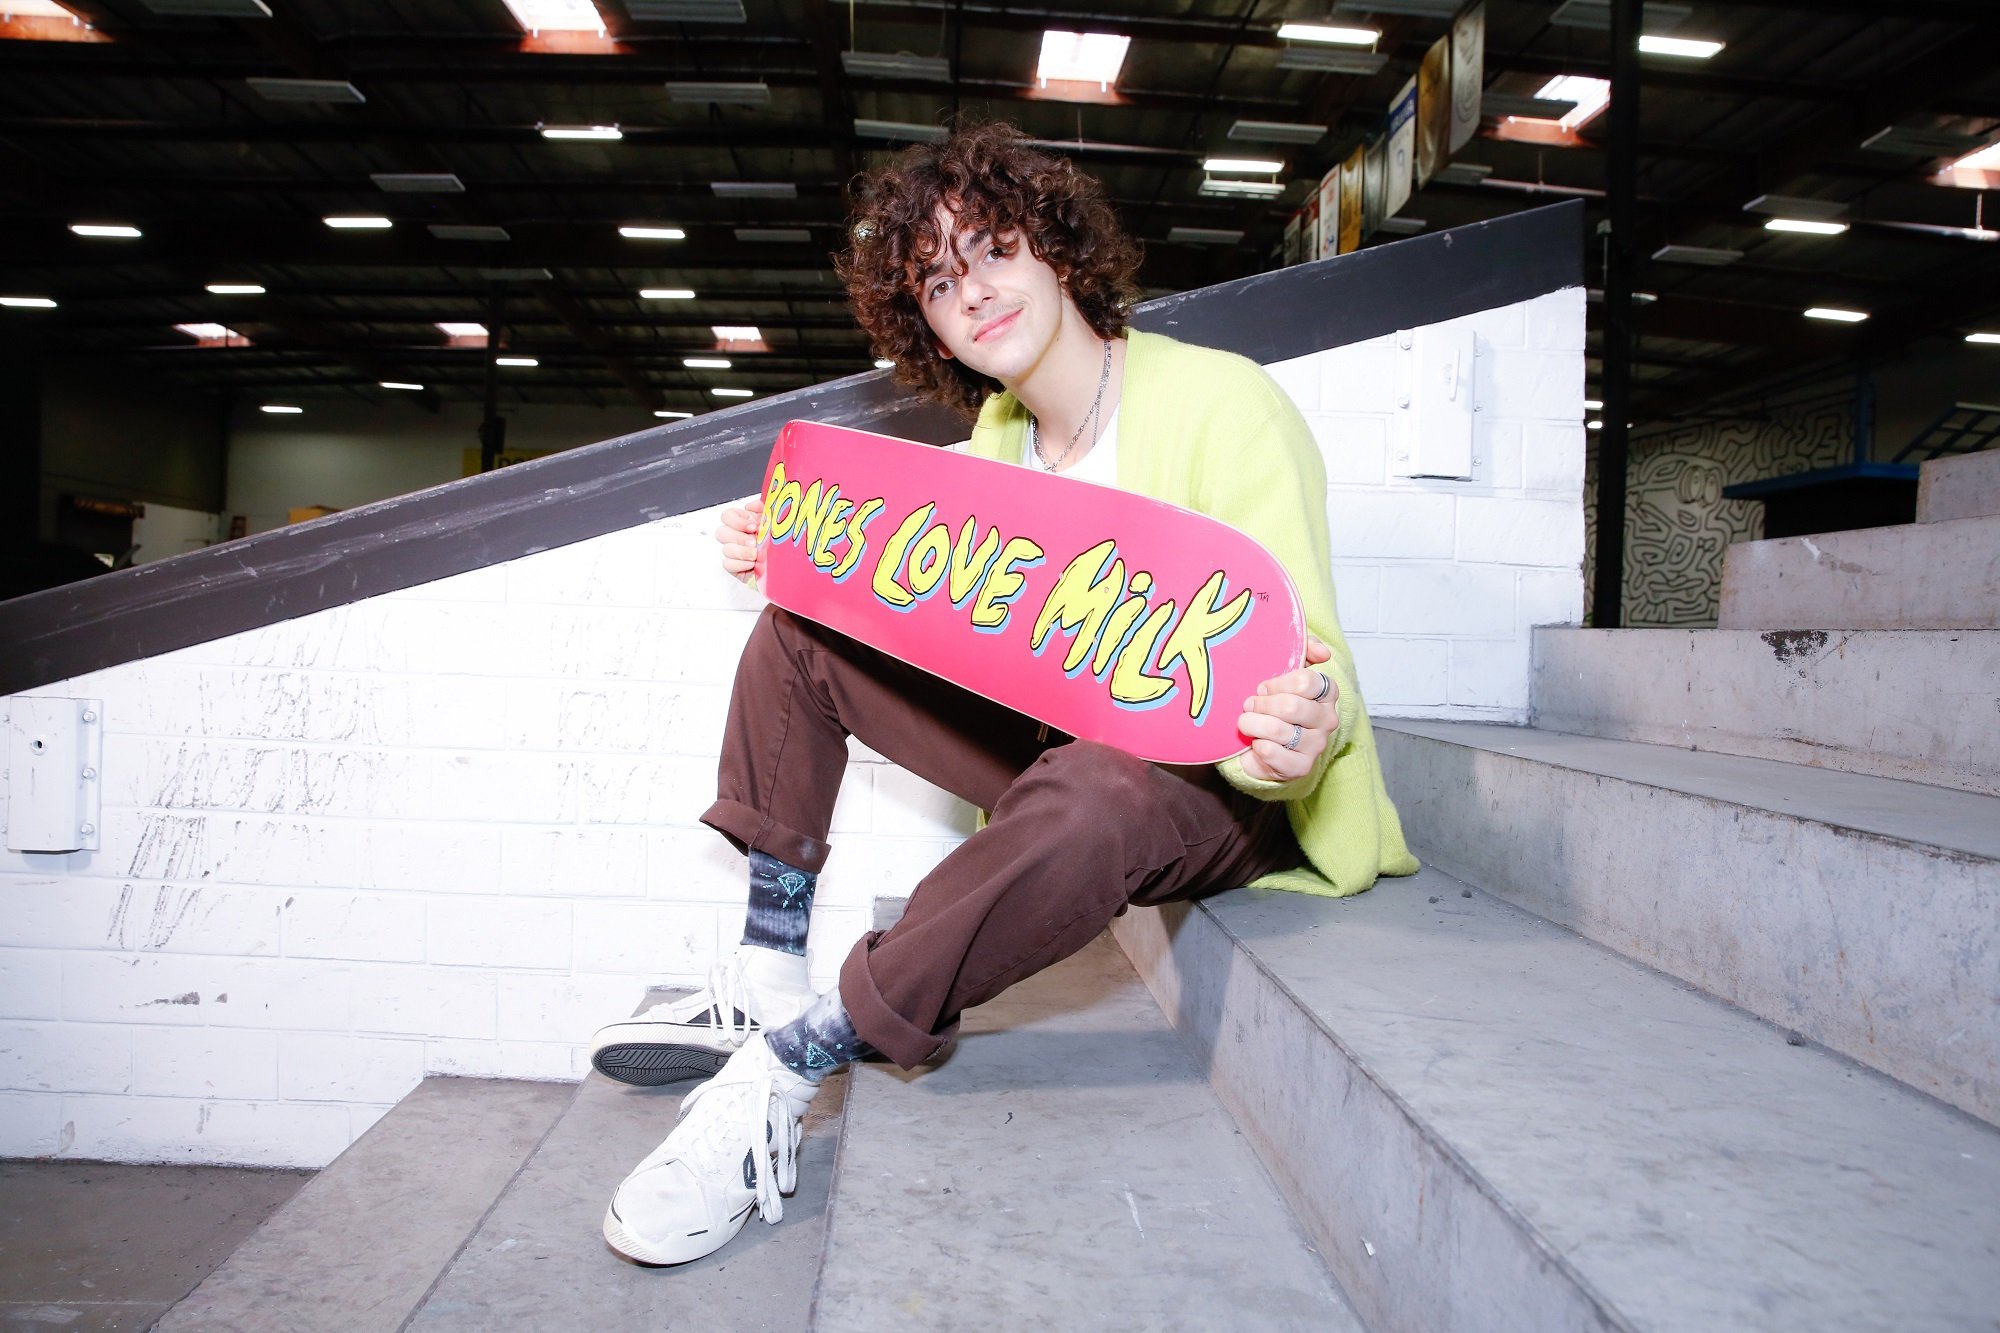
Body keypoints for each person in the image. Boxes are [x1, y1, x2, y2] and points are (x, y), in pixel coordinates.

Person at [593, 121, 1417, 1268]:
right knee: (802, 636)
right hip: (1065, 746)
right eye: (935, 281)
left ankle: (790, 1065)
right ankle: (765, 975)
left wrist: (1294, 733)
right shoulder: (990, 448)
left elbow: (1295, 651)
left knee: (1089, 793)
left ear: (1056, 248)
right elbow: (923, 627)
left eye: (989, 248)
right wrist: (795, 552)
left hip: (1214, 782)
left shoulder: (1225, 404)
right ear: (919, 322)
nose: (971, 291)